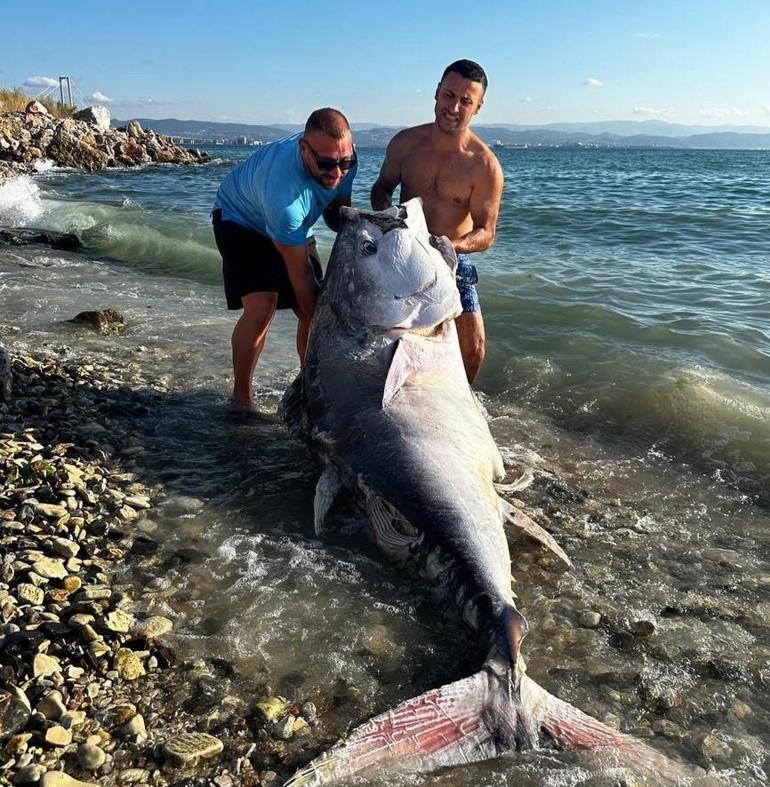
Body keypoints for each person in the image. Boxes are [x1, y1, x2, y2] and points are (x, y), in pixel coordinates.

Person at [212, 108, 357, 411]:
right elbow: (300, 276)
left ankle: (311, 389)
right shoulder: (286, 202)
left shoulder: (345, 162)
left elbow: (336, 213)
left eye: (344, 162)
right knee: (264, 306)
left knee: (315, 307)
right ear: (304, 150)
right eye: (327, 163)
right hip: (239, 219)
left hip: (291, 227)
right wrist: (329, 331)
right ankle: (241, 398)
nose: (337, 173)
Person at [371, 59, 502, 384]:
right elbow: (381, 188)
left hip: (451, 260)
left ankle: (460, 404)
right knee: (380, 339)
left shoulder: (483, 166)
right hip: (402, 253)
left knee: (473, 349)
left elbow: (486, 233)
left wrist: (446, 246)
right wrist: (389, 220)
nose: (454, 107)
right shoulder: (405, 144)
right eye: (448, 95)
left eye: (465, 101)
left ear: (479, 106)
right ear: (436, 93)